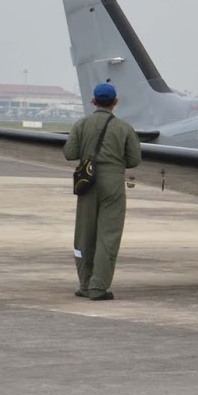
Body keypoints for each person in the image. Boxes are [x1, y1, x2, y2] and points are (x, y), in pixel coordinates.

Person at [64, 83, 143, 300]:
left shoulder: (81, 124)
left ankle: (85, 284)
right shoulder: (124, 128)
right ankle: (99, 287)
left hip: (87, 182)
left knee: (83, 234)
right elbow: (134, 160)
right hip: (113, 183)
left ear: (93, 101)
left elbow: (69, 153)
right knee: (108, 235)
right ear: (115, 102)